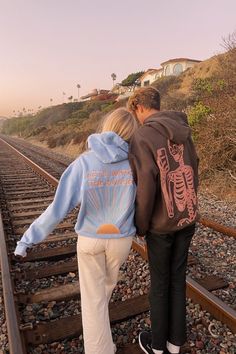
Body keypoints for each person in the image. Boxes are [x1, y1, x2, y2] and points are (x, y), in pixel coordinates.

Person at [14, 108, 138, 354]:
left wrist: (27, 240)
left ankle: (98, 350)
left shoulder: (85, 161)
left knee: (93, 300)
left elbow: (57, 209)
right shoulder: (135, 162)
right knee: (104, 291)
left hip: (91, 239)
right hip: (121, 239)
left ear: (106, 126)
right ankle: (105, 344)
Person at [127, 87, 199, 354]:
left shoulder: (142, 135)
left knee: (159, 284)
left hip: (160, 226)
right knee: (178, 280)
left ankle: (157, 347)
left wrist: (141, 225)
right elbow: (195, 166)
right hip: (187, 220)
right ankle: (175, 342)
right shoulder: (183, 128)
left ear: (139, 107)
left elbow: (145, 186)